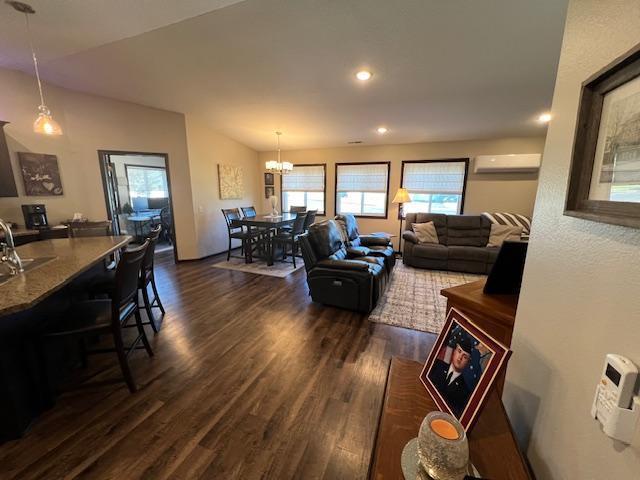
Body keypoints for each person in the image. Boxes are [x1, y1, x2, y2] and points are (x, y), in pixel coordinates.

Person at [428, 336, 474, 417]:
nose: (460, 358)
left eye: (465, 357)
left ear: (468, 362)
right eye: (459, 351)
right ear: (454, 351)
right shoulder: (437, 365)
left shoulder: (465, 391)